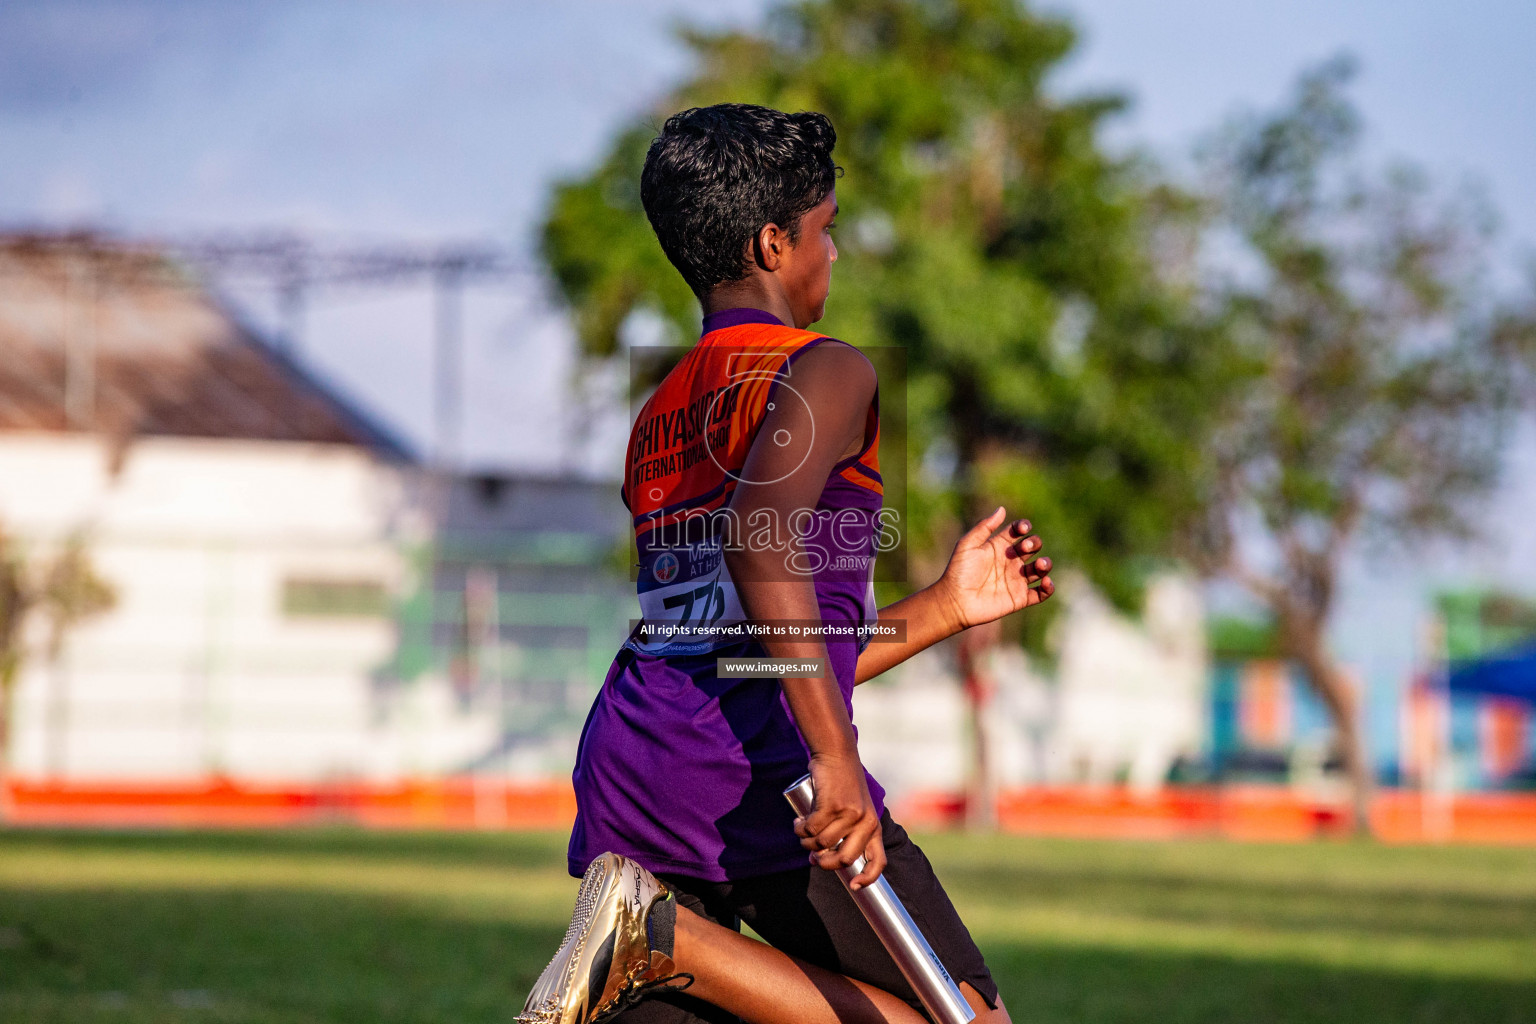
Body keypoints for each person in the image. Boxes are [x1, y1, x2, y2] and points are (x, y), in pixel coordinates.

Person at [517, 103, 1053, 1024]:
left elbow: (745, 648)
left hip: (642, 770)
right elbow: (760, 539)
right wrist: (835, 754)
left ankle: (653, 940)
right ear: (774, 242)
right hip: (759, 777)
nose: (833, 254)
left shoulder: (660, 415)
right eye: (826, 230)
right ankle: (661, 938)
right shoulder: (829, 371)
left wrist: (942, 607)